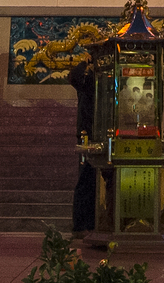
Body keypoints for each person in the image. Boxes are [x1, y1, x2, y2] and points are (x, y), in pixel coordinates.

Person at [68, 55, 98, 233]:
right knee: (86, 180)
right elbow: (73, 77)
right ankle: (80, 225)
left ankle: (96, 222)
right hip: (88, 136)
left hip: (104, 135)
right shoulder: (87, 82)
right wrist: (85, 62)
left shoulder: (107, 83)